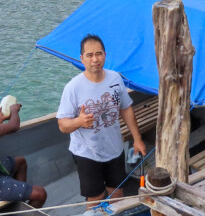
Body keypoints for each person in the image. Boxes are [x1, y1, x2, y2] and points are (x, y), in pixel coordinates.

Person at [57, 35, 147, 203]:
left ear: (105, 55)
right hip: (86, 153)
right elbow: (62, 125)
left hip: (114, 149)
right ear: (82, 58)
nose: (95, 59)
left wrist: (137, 139)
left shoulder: (115, 79)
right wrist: (79, 122)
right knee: (95, 198)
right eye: (89, 55)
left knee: (117, 193)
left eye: (98, 54)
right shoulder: (73, 88)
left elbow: (126, 108)